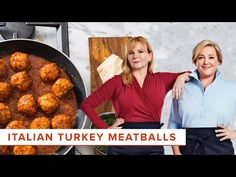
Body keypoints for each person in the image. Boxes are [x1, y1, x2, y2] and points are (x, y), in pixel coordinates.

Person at [80, 36, 190, 155]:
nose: (135, 56)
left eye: (140, 51)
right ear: (128, 58)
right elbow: (87, 104)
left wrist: (181, 77)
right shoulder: (116, 82)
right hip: (120, 148)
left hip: (153, 147)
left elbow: (194, 75)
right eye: (131, 53)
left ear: (150, 56)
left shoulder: (162, 79)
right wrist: (105, 129)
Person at [168, 39, 236, 155]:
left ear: (219, 60)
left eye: (211, 57)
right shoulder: (181, 87)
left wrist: (234, 133)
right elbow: (174, 123)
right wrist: (176, 152)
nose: (206, 62)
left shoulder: (232, 88)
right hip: (188, 148)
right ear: (195, 61)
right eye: (200, 57)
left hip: (220, 148)